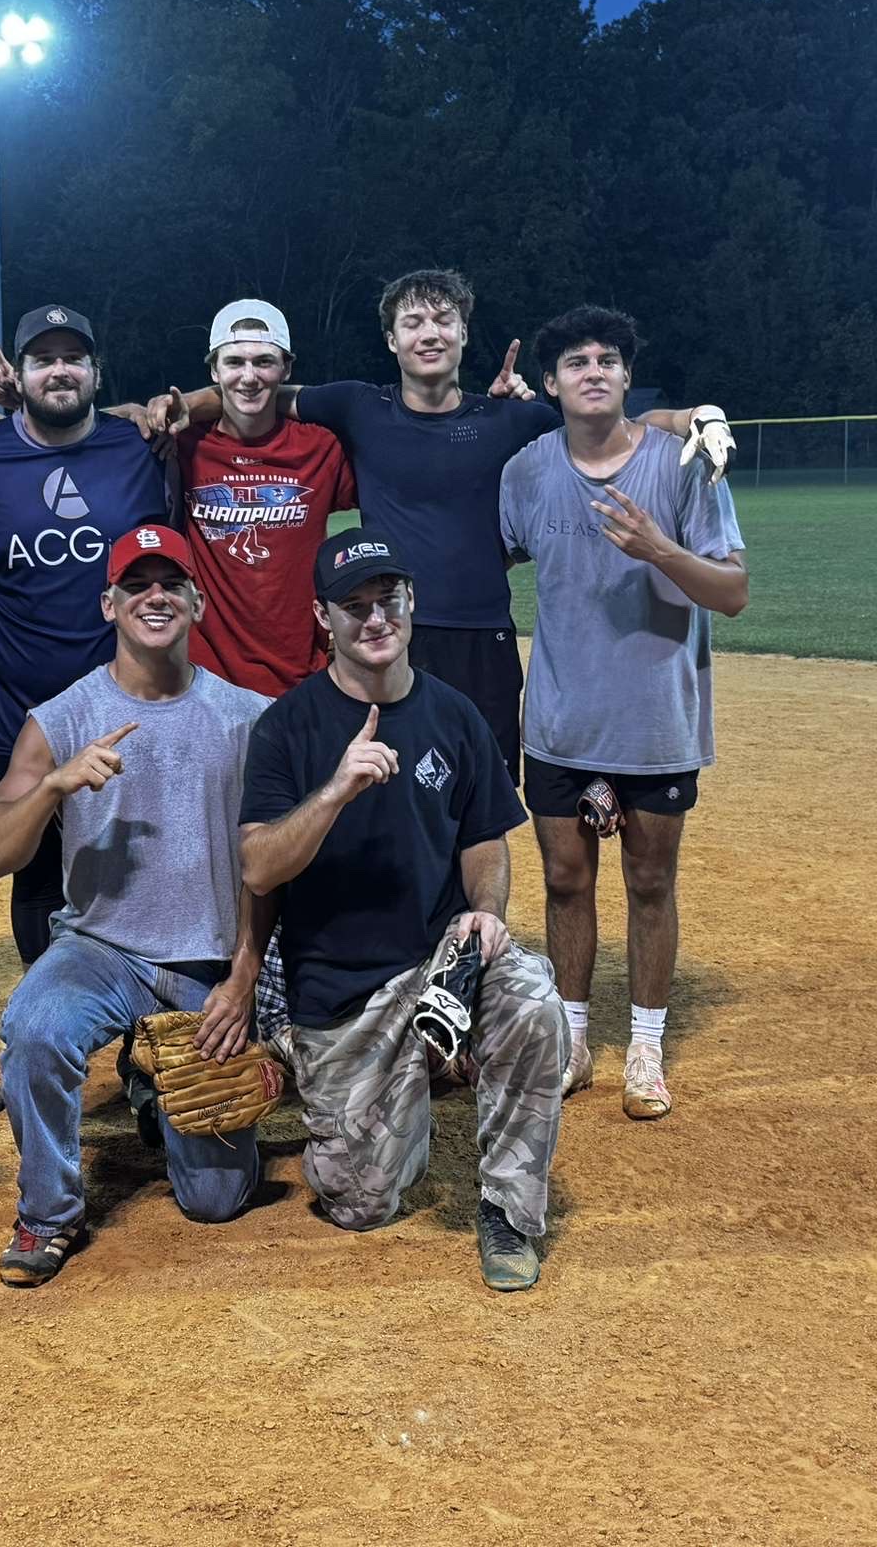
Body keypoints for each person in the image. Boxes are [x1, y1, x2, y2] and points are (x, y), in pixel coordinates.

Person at [157, 269, 707, 783]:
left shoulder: (511, 418)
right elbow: (258, 392)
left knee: (479, 800)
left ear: (464, 333)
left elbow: (613, 424)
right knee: (380, 791)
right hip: (388, 633)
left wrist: (690, 418)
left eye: (444, 320)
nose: (430, 333)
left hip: (480, 638)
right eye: (413, 322)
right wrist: (184, 404)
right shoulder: (358, 406)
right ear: (392, 340)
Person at [239, 529, 568, 1292]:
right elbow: (259, 866)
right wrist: (334, 791)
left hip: (439, 963)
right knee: (360, 1203)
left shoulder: (453, 716)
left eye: (387, 600)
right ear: (324, 618)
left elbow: (485, 838)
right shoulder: (287, 728)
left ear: (411, 603)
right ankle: (356, 1063)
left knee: (535, 1006)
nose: (374, 619)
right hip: (344, 989)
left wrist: (486, 910)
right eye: (353, 607)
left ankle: (508, 1213)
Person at [0, 525, 271, 1287]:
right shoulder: (61, 719)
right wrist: (52, 787)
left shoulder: (248, 717)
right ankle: (47, 1213)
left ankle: (154, 1089)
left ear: (199, 602)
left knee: (216, 1201)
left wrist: (245, 977)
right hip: (100, 951)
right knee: (35, 1031)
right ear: (110, 603)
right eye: (137, 584)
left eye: (171, 582)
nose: (155, 596)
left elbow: (276, 869)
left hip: (208, 959)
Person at [500, 306, 747, 1120]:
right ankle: (573, 1037)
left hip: (654, 718)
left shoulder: (683, 465)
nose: (594, 370)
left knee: (650, 881)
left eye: (609, 358)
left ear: (629, 377)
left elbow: (734, 592)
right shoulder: (529, 468)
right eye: (576, 361)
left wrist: (659, 550)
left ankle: (645, 1044)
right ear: (550, 384)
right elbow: (485, 555)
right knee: (566, 882)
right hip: (563, 718)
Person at [0, 305, 173, 967]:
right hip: (13, 719)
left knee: (138, 869)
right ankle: (54, 1016)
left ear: (97, 372)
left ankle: (141, 1038)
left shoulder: (139, 447)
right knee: (37, 878)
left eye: (74, 357)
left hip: (125, 716)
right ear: (20, 373)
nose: (61, 370)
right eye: (44, 359)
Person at [170, 299, 355, 698]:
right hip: (206, 684)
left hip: (302, 678)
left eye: (264, 362)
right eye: (234, 362)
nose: (249, 377)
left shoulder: (321, 447)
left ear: (286, 368)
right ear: (213, 370)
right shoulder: (183, 444)